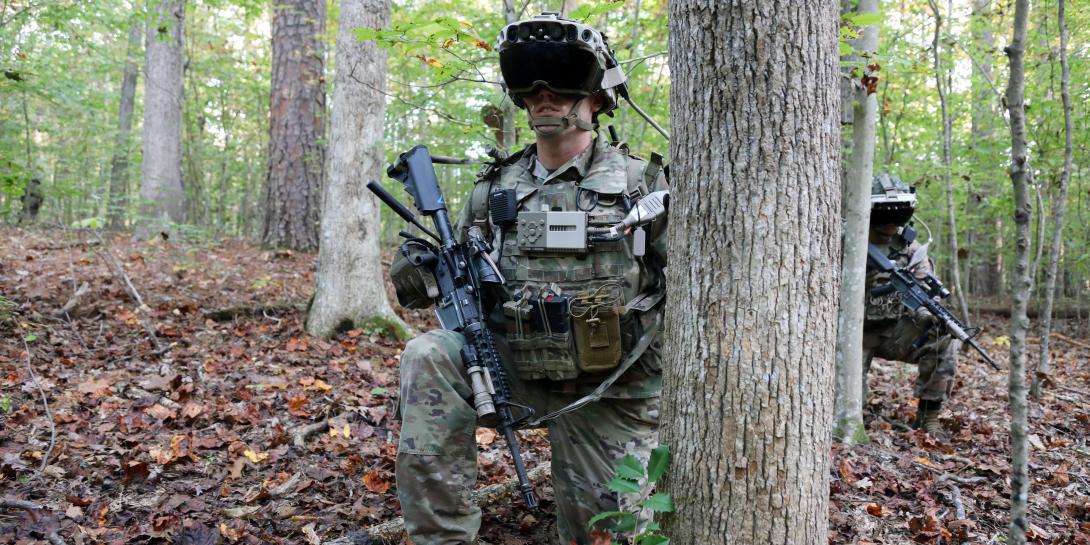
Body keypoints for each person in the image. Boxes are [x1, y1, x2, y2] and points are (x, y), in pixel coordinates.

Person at [387, 12, 669, 545]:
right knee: (427, 354)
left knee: (605, 534)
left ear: (599, 97)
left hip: (610, 389)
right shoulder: (494, 190)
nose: (544, 93)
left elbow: (691, 289)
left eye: (562, 78)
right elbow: (458, 279)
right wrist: (425, 271)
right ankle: (441, 538)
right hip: (513, 369)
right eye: (529, 81)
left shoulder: (643, 185)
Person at [862, 173, 959, 435]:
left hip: (893, 330)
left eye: (899, 214)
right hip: (851, 335)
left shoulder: (910, 248)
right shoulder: (848, 239)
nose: (891, 223)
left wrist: (928, 314)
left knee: (942, 336)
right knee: (850, 402)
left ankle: (929, 418)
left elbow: (924, 289)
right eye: (885, 214)